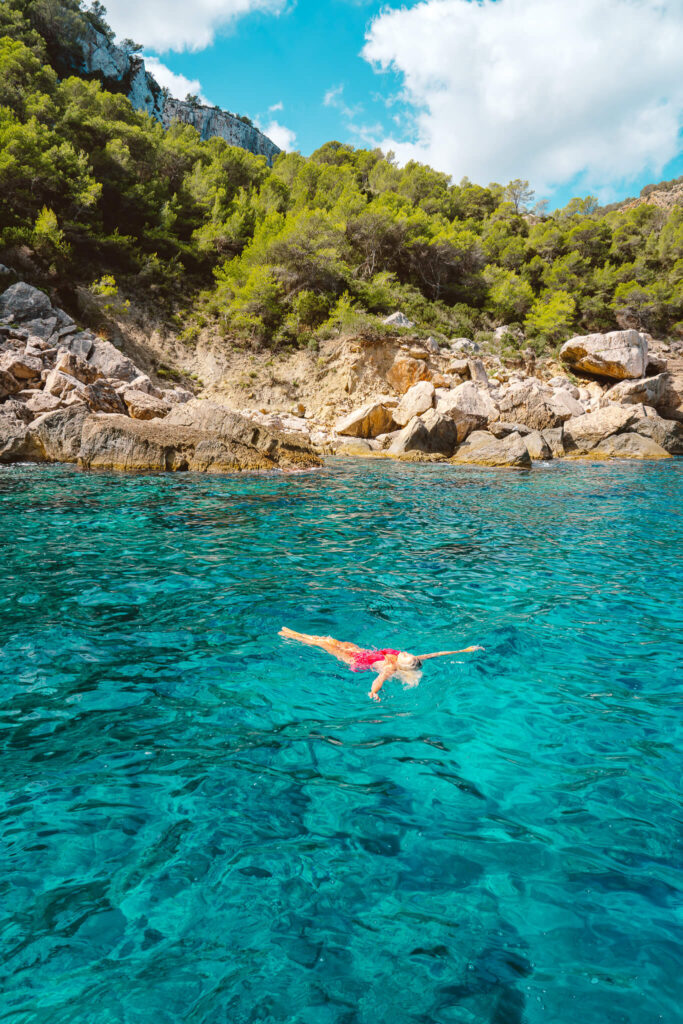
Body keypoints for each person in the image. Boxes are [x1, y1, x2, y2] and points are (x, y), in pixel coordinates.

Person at [278, 627, 484, 701]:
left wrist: (374, 692)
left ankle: (291, 636)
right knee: (330, 639)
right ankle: (292, 634)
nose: (406, 653)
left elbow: (379, 680)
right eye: (409, 654)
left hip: (354, 660)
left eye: (407, 656)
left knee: (323, 644)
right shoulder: (407, 659)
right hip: (361, 651)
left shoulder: (390, 668)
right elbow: (436, 653)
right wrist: (464, 650)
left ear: (403, 665)